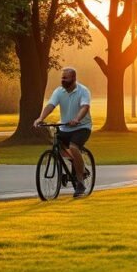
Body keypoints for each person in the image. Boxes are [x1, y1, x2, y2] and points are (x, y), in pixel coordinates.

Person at [34, 67, 92, 197]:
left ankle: (80, 182)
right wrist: (41, 118)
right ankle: (75, 165)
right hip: (65, 127)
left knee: (73, 147)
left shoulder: (83, 91)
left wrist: (77, 119)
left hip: (81, 127)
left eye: (65, 78)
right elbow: (50, 105)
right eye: (62, 78)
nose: (63, 80)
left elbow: (85, 107)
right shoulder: (59, 91)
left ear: (74, 78)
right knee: (59, 148)